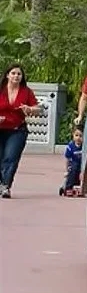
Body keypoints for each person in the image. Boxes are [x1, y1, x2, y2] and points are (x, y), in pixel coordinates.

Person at [0, 64, 42, 198]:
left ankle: (6, 185)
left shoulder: (26, 91)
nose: (16, 76)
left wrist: (30, 109)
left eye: (19, 74)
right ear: (7, 75)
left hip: (17, 130)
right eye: (13, 73)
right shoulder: (1, 89)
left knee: (10, 157)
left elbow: (38, 108)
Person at [60, 125, 83, 196]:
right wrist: (66, 170)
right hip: (73, 164)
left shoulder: (84, 146)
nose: (78, 138)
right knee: (74, 167)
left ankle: (83, 187)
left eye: (80, 136)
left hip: (82, 164)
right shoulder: (70, 146)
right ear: (73, 135)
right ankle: (68, 187)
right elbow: (67, 159)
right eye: (76, 135)